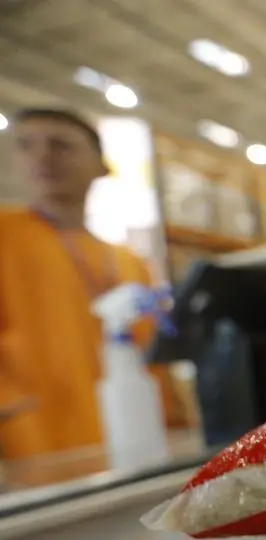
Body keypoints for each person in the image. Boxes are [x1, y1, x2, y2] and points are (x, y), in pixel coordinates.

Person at [0, 108, 184, 461]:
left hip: (136, 449)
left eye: (61, 145)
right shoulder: (6, 237)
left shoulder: (131, 263)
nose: (42, 156)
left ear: (101, 165)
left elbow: (155, 358)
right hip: (36, 453)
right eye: (26, 145)